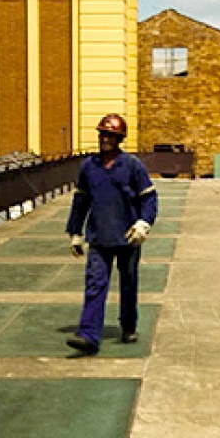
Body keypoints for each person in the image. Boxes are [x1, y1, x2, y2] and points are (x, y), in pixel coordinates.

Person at [65, 111, 158, 354]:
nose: (105, 139)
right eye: (103, 134)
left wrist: (143, 223)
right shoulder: (89, 167)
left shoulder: (132, 166)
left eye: (111, 135)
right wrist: (75, 232)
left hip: (127, 237)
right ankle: (89, 336)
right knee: (95, 285)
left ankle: (128, 325)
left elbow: (149, 198)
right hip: (99, 237)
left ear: (120, 139)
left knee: (128, 284)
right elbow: (81, 201)